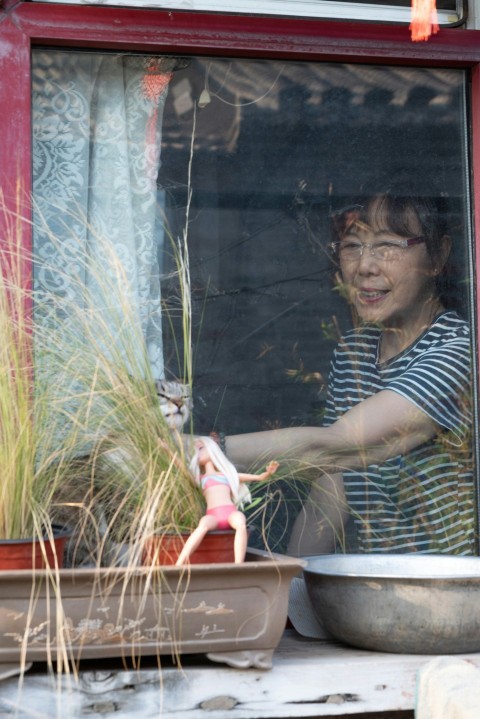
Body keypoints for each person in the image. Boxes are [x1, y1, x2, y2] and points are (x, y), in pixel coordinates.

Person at [222, 185, 475, 556]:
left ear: (438, 256)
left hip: (447, 593)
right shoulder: (354, 352)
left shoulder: (459, 350)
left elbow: (339, 445)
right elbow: (333, 485)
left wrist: (205, 451)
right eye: (353, 245)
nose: (365, 266)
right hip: (376, 588)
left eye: (388, 245)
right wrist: (290, 593)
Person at [175, 436, 279, 565]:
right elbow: (182, 469)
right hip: (212, 516)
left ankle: (238, 564)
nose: (198, 453)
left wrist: (268, 473)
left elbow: (259, 477)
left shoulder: (228, 475)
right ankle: (179, 563)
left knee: (241, 523)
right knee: (202, 527)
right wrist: (168, 451)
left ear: (213, 449)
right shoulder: (201, 479)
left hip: (230, 513)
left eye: (200, 448)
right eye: (194, 452)